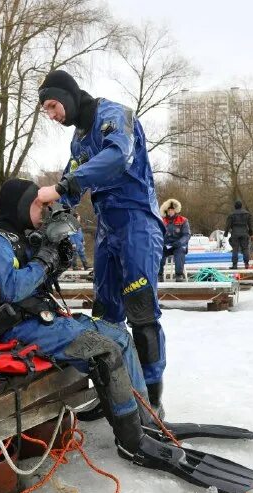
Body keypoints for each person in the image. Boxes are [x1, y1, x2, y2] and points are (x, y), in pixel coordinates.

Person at [0, 179, 253, 493]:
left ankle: (146, 420)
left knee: (120, 336)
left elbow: (37, 278)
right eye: (39, 205)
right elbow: (10, 289)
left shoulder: (23, 237)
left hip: (43, 321)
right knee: (103, 352)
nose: (45, 211)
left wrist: (57, 257)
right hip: (15, 332)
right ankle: (132, 442)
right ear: (21, 206)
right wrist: (45, 257)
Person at [35, 70, 167, 416]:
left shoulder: (113, 115)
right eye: (46, 110)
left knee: (141, 310)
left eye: (52, 106)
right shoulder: (78, 140)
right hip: (107, 229)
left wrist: (64, 188)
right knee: (106, 313)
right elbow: (69, 181)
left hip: (137, 222)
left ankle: (152, 399)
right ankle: (113, 390)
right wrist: (42, 214)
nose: (52, 115)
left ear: (68, 95)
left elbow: (116, 157)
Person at [159, 199, 190, 282]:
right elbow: (157, 234)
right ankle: (159, 275)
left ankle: (179, 275)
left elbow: (187, 235)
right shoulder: (162, 221)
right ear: (166, 211)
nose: (170, 211)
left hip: (179, 245)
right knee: (158, 251)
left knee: (180, 252)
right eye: (169, 210)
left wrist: (179, 242)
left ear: (176, 210)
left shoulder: (183, 220)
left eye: (172, 210)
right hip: (167, 245)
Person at [224, 200, 253, 270]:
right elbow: (250, 225)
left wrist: (226, 233)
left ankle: (234, 265)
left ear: (235, 206)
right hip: (244, 232)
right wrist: (251, 232)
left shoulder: (232, 214)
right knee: (245, 248)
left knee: (235, 249)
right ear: (241, 206)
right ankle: (246, 264)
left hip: (235, 233)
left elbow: (228, 225)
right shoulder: (247, 214)